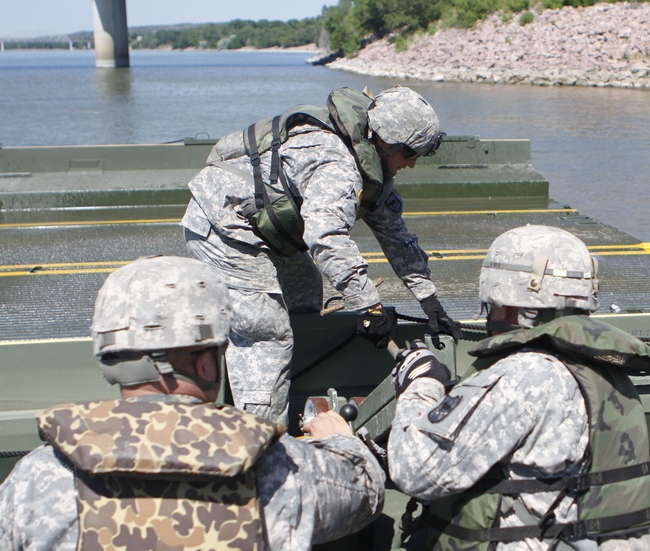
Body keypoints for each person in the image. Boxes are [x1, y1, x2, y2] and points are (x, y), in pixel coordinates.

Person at [0, 256, 385, 551]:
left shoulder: (40, 479)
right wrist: (340, 437)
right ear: (204, 362)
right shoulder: (269, 464)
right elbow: (363, 492)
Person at [386, 225, 650, 551]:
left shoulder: (529, 374)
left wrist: (421, 384)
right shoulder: (606, 374)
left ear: (510, 299)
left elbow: (416, 466)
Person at [182, 85, 461, 425]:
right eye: (410, 154)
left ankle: (293, 390)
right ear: (386, 143)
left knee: (304, 294)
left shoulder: (373, 162)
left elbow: (395, 234)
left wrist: (427, 297)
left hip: (264, 228)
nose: (413, 164)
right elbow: (326, 238)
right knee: (267, 331)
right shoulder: (336, 165)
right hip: (224, 227)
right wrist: (367, 305)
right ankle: (262, 436)